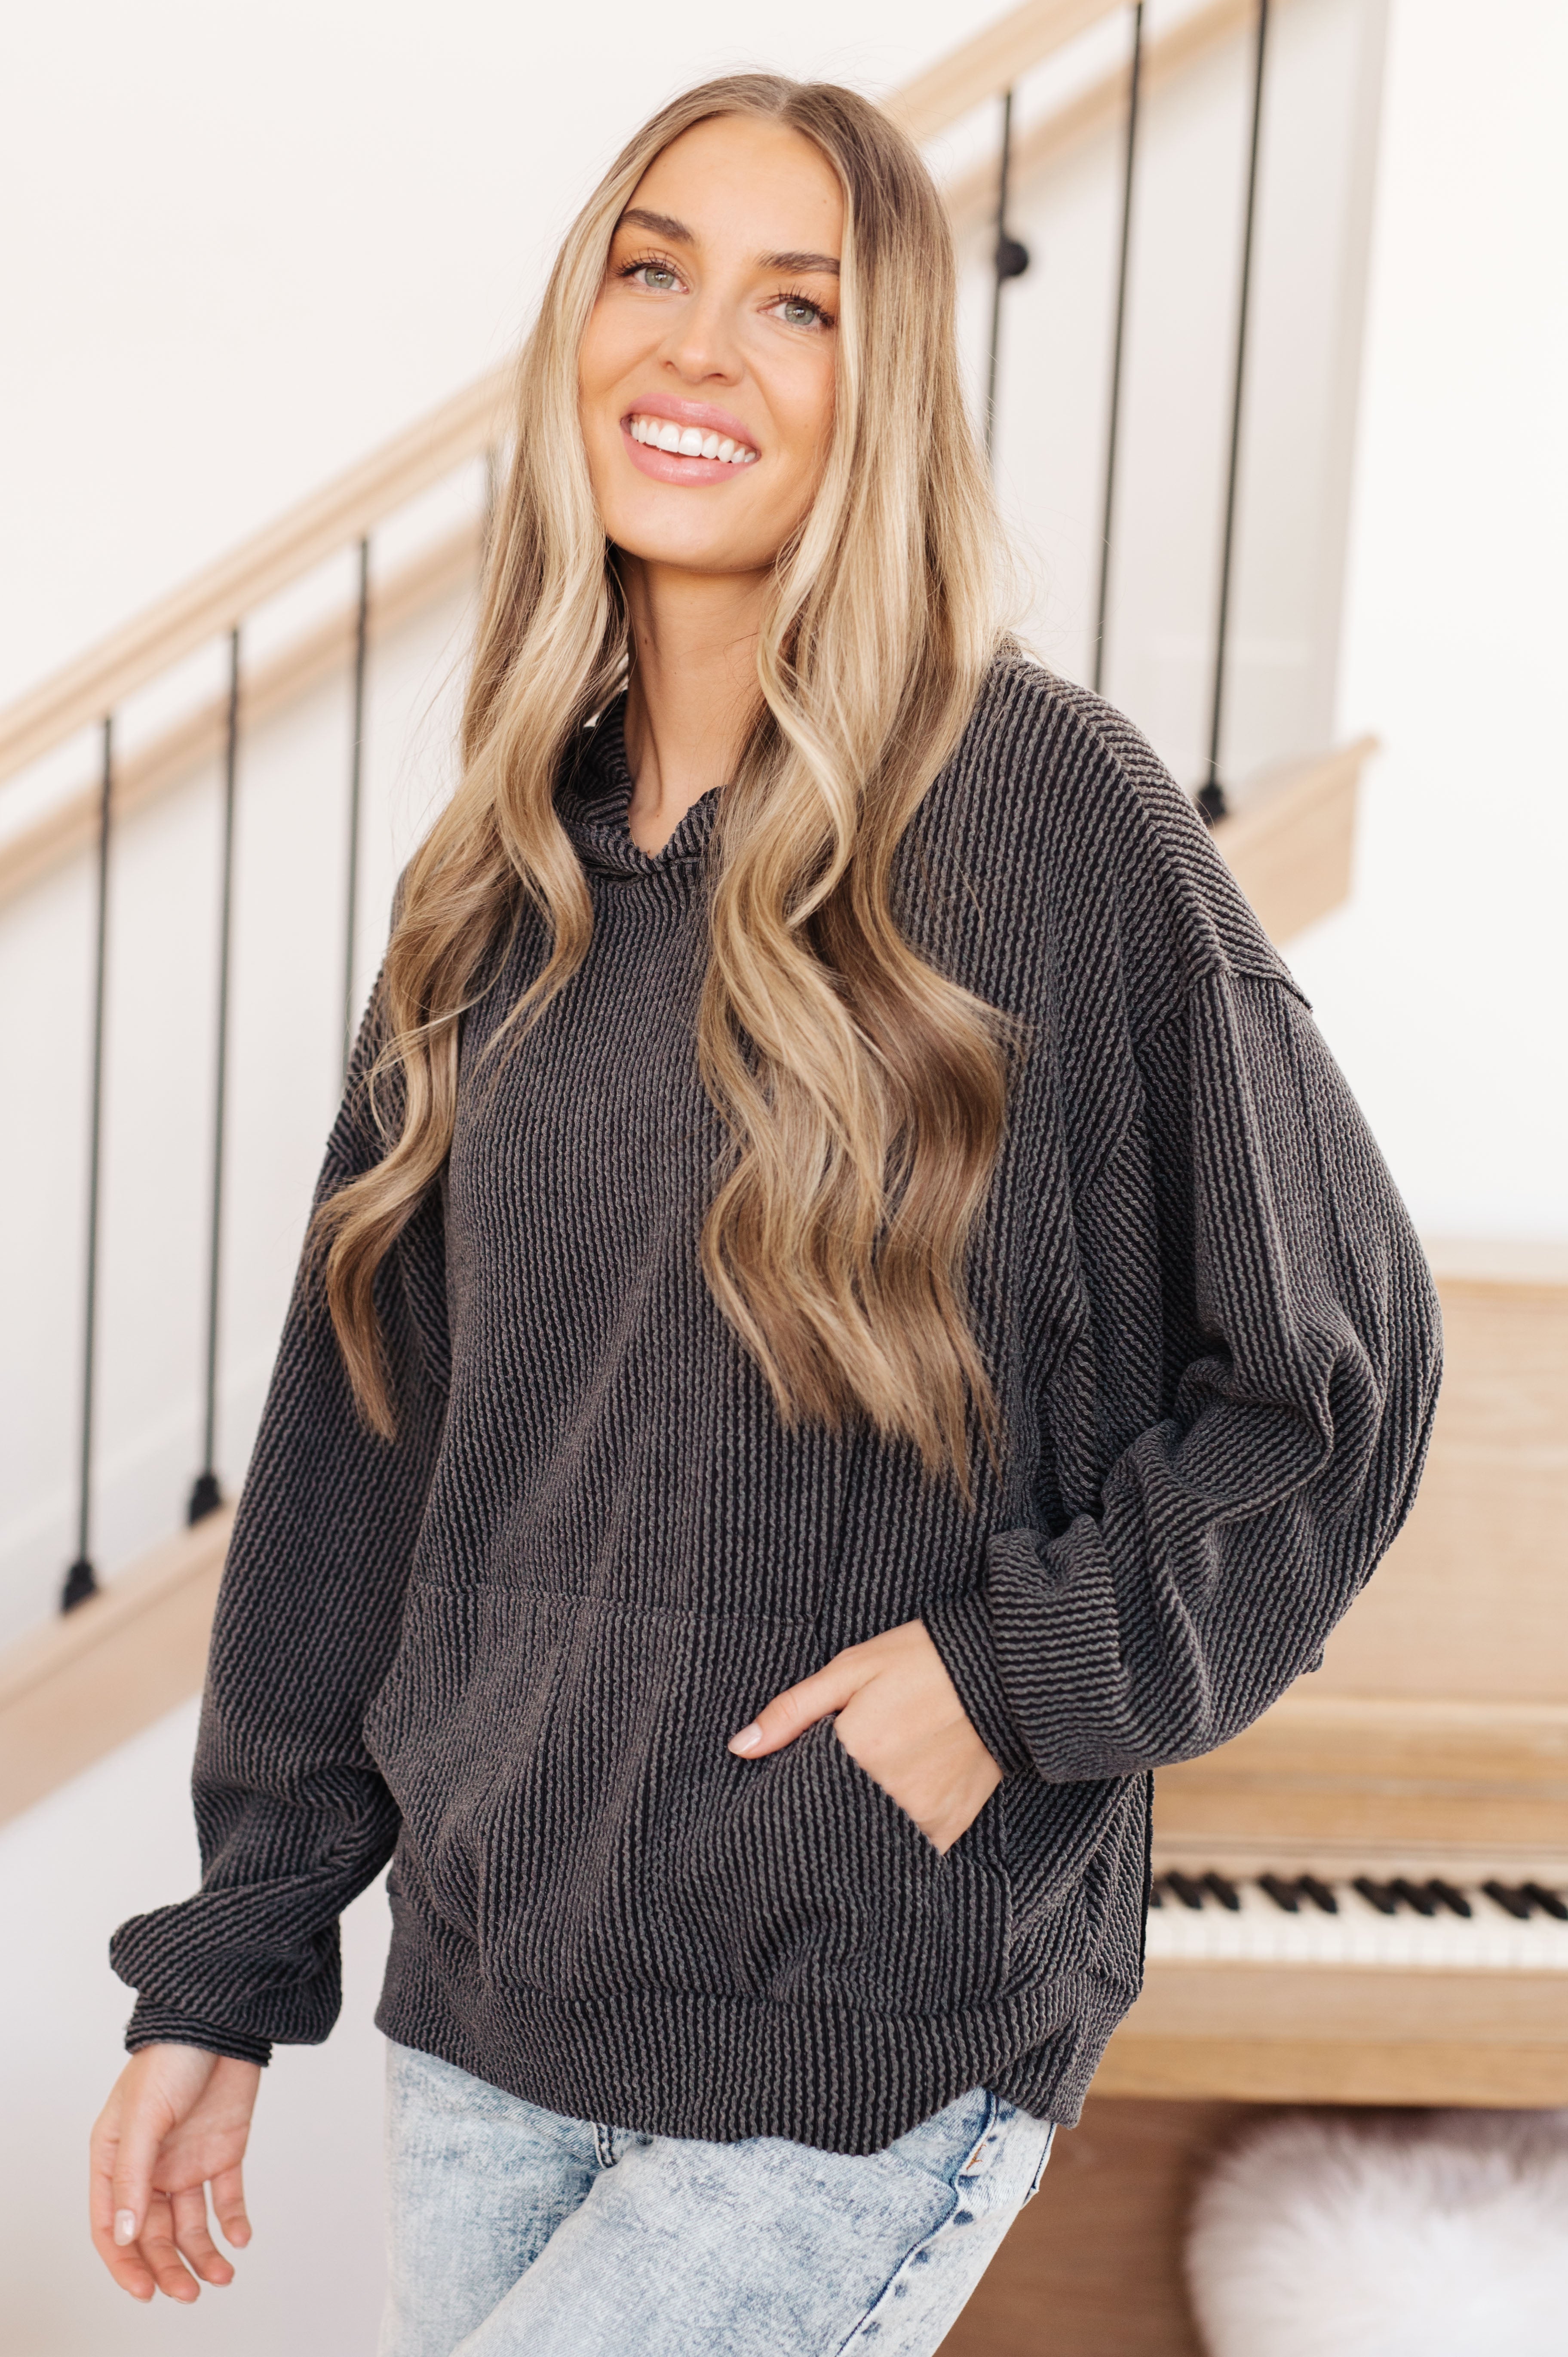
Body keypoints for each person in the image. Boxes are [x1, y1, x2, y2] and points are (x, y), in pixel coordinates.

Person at [87, 72, 1442, 2357]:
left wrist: (1009, 1683)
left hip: (856, 2029)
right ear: (579, 335)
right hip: (494, 2007)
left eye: (794, 305)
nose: (700, 348)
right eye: (656, 270)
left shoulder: (1036, 807)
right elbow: (362, 1466)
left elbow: (1350, 1367)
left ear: (879, 389)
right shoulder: (493, 882)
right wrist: (234, 1960)